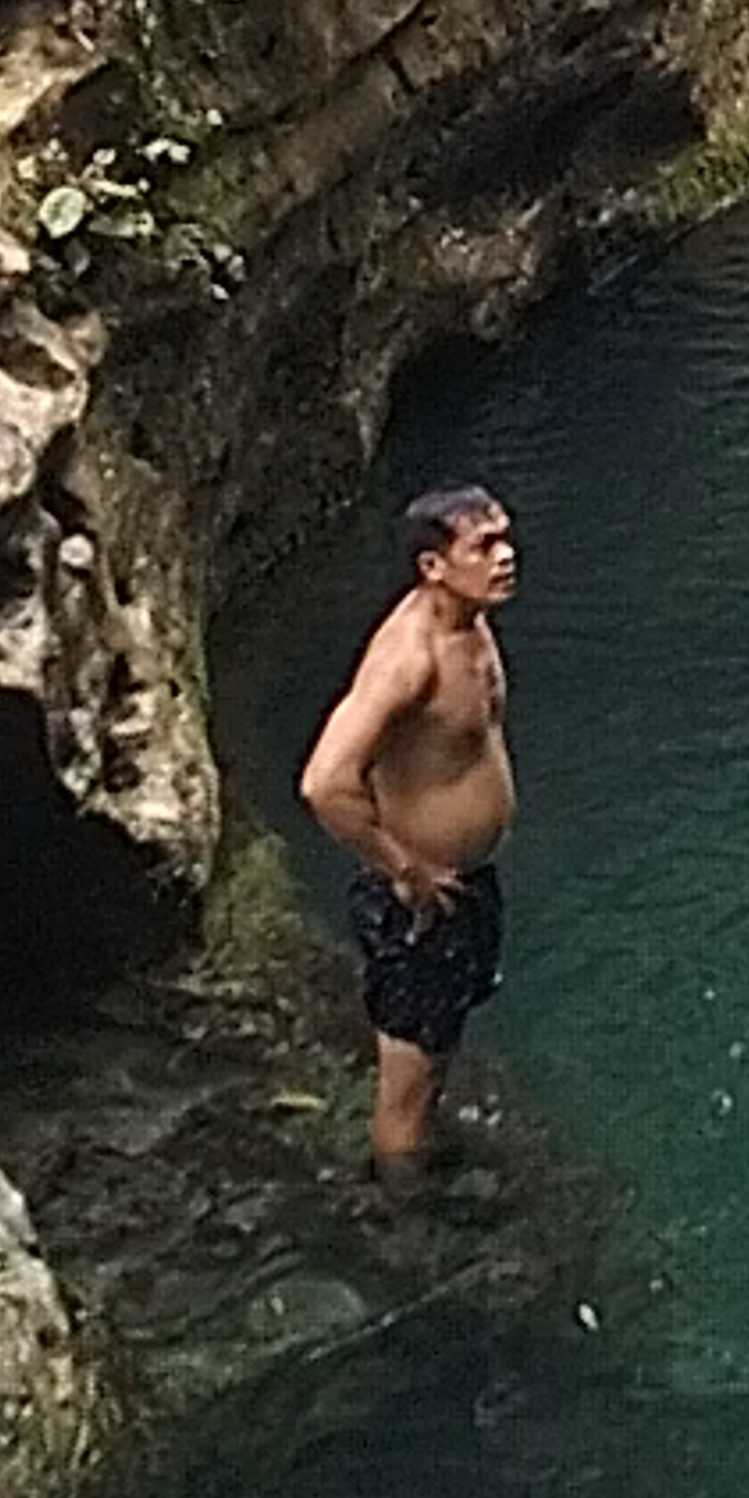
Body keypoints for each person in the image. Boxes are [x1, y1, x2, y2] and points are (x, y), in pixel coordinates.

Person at [299, 482, 519, 1175]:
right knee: (404, 1088)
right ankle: (398, 1213)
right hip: (420, 901)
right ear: (433, 566)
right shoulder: (408, 659)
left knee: (437, 1043)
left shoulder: (472, 622)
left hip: (462, 885)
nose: (506, 555)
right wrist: (405, 871)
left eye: (504, 537)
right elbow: (325, 781)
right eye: (484, 546)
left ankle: (424, 1148)